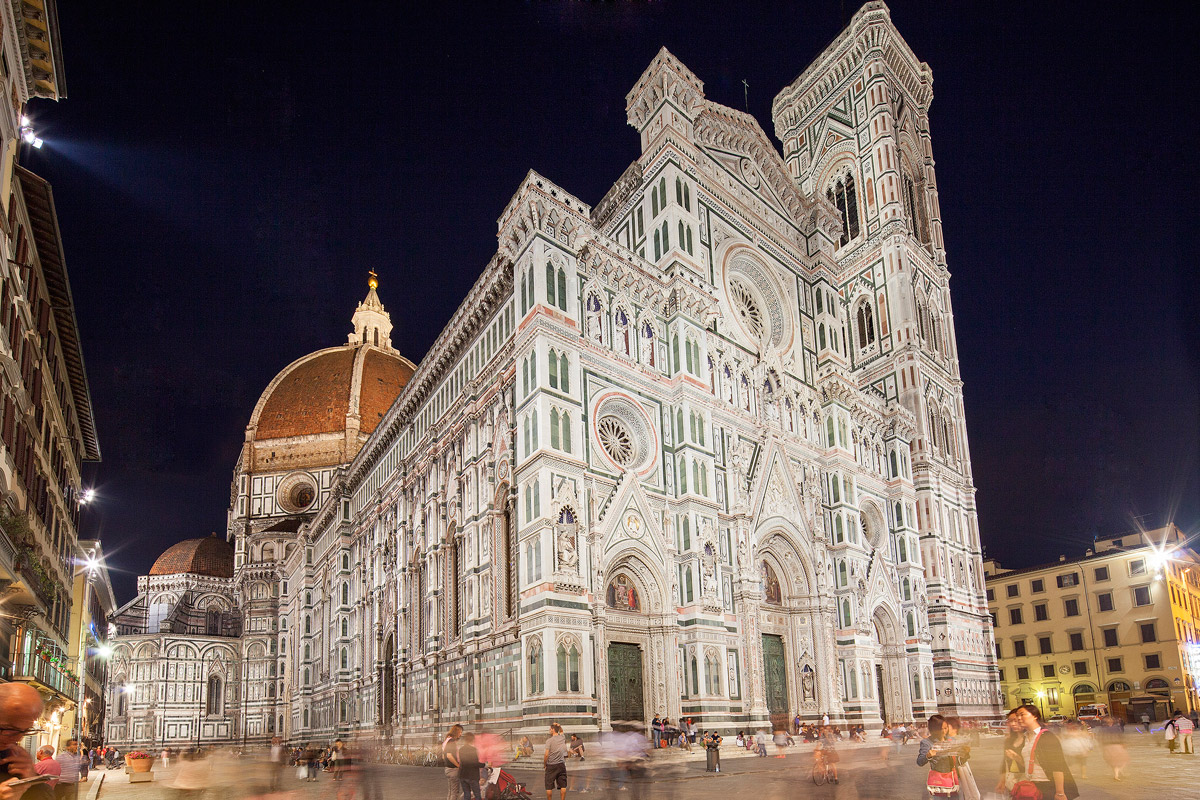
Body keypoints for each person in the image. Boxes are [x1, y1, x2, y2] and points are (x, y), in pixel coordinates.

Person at [1014, 704, 1078, 800]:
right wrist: (1017, 758)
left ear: (1035, 716)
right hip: (1033, 786)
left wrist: (1060, 792)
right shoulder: (1026, 738)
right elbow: (1031, 764)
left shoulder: (1046, 736)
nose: (1019, 718)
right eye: (1017, 715)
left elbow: (1058, 765)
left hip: (1048, 786)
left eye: (1022, 714)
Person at [0, 684, 53, 800]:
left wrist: (31, 780)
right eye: (9, 729)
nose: (18, 739)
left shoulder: (12, 756)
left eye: (25, 731)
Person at [917, 715, 959, 797]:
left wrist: (964, 753)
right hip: (939, 782)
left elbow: (959, 760)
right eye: (940, 729)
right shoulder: (927, 742)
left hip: (953, 780)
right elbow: (919, 762)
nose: (944, 731)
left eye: (946, 728)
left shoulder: (952, 740)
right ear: (933, 730)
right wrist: (928, 756)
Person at [994, 709, 1025, 795]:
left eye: (1016, 720)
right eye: (1010, 721)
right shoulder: (1009, 740)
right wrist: (1002, 781)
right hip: (1012, 782)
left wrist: (1017, 758)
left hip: (1028, 782)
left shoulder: (1029, 739)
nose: (1012, 724)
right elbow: (1005, 762)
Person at [543, 722, 568, 800]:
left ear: (553, 730)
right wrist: (559, 726)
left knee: (549, 786)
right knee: (563, 785)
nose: (549, 730)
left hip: (551, 765)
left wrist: (544, 764)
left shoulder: (549, 741)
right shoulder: (562, 738)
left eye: (550, 729)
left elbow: (546, 754)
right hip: (561, 764)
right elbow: (561, 731)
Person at [457, 733, 482, 800]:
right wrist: (484, 764)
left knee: (466, 794)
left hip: (463, 775)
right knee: (477, 795)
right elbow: (475, 763)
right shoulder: (473, 750)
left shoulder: (461, 749)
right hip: (472, 775)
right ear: (472, 740)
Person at [443, 725, 464, 800]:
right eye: (460, 732)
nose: (461, 734)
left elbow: (443, 756)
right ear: (456, 731)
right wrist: (458, 765)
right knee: (455, 792)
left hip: (448, 768)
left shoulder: (447, 740)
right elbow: (449, 755)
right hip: (453, 769)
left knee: (451, 791)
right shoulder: (451, 741)